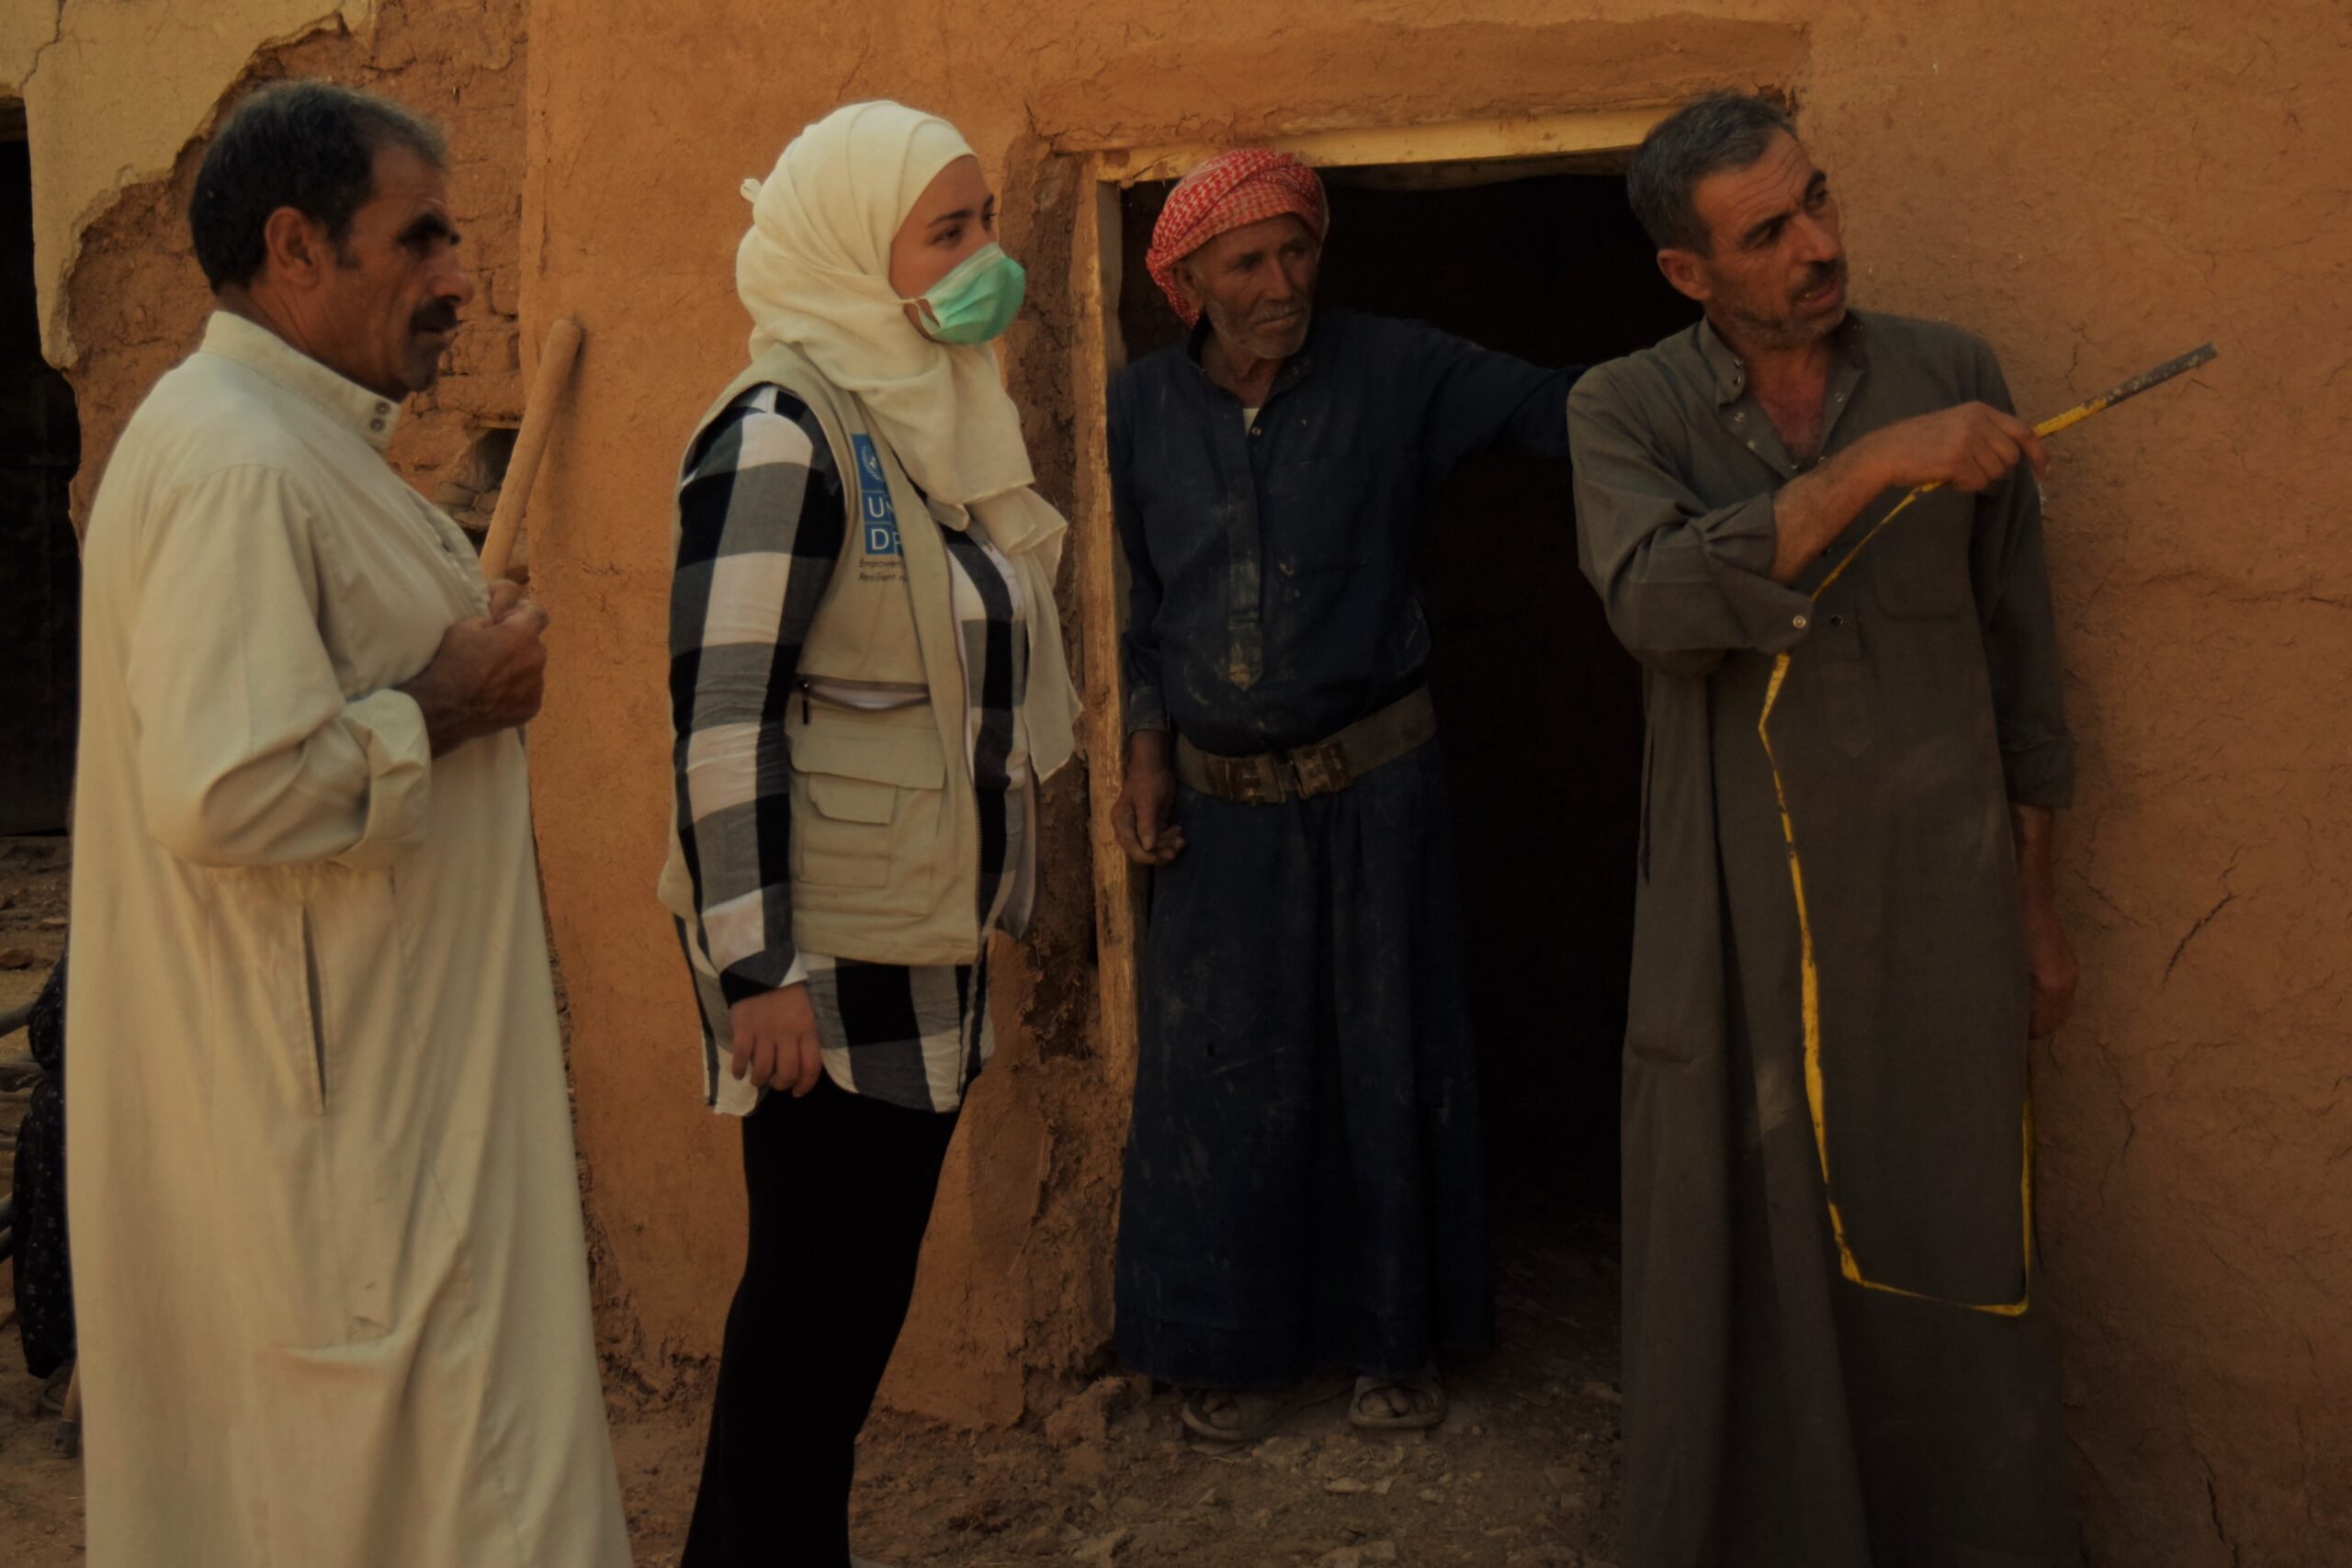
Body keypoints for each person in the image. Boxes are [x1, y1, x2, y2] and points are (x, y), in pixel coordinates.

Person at [66, 82, 629, 1567]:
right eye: (423, 237)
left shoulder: (277, 440)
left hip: (382, 1094)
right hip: (354, 1126)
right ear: (296, 247)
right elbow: (227, 784)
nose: (459, 279)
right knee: (435, 1490)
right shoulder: (237, 461)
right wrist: (445, 701)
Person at [1567, 92, 2083, 1566]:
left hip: (1939, 905)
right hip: (1733, 907)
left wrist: (2035, 907)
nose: (1817, 245)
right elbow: (1658, 603)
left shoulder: (1948, 371)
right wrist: (1873, 468)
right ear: (1689, 273)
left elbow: (2023, 665)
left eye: (1818, 201)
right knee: (1742, 1217)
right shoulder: (1622, 409)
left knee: (1951, 1220)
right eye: (1768, 232)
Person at [656, 100, 1080, 1568]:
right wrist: (754, 968)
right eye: (946, 232)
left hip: (916, 933)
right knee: (809, 1328)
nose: (986, 257)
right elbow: (724, 716)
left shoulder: (927, 413)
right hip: (820, 960)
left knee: (835, 1332)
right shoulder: (783, 432)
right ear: (852, 251)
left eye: (984, 221)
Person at [1108, 149, 1583, 1440]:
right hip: (1218, 804)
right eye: (1247, 263)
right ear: (1189, 281)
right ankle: (1237, 1351)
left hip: (1378, 787)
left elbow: (1562, 410)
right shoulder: (1140, 408)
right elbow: (1141, 600)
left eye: (1298, 251)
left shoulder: (1396, 368)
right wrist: (1147, 754)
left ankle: (1394, 1343)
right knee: (1229, 1076)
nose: (1282, 284)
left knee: (1388, 1060)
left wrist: (1732, 380)